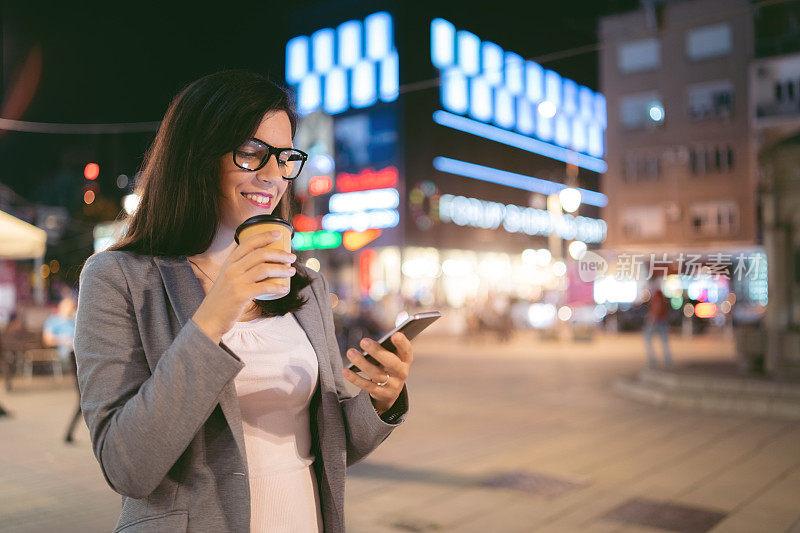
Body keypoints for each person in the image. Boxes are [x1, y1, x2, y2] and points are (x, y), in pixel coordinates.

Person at [74, 70, 412, 533]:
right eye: (253, 153)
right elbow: (127, 465)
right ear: (196, 156)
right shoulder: (119, 279)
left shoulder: (304, 287)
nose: (273, 176)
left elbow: (333, 444)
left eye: (285, 157)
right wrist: (217, 311)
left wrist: (381, 401)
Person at [643, 284, 673, 369]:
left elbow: (656, 309)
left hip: (657, 322)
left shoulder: (656, 296)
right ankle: (668, 360)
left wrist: (651, 320)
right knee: (664, 342)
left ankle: (653, 361)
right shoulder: (661, 296)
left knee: (648, 339)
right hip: (662, 321)